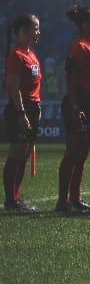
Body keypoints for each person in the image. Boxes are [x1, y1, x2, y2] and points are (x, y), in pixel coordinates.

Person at [58, 4, 90, 213]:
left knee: (82, 154)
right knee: (72, 153)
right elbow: (71, 78)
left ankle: (76, 199)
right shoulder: (79, 46)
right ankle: (62, 202)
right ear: (85, 24)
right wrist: (74, 105)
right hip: (79, 101)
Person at [4, 14, 41, 212]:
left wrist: (37, 108)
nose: (38, 32)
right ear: (22, 31)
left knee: (24, 155)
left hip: (32, 108)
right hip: (21, 108)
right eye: (35, 28)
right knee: (16, 155)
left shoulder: (32, 54)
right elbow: (14, 87)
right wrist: (21, 113)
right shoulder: (16, 54)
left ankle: (15, 199)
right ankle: (10, 201)